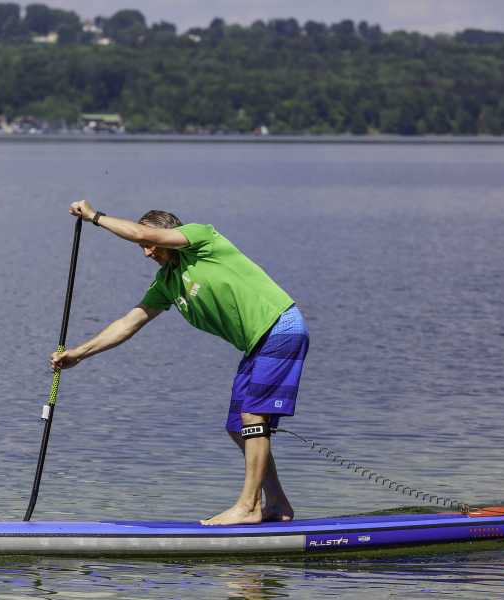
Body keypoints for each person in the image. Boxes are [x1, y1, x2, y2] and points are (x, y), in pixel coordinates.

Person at [50, 200, 310, 526]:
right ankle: (278, 505)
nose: (146, 252)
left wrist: (95, 217)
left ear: (169, 234)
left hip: (279, 326)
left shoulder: (202, 239)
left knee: (252, 415)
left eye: (150, 243)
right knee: (237, 427)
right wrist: (79, 353)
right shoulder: (167, 282)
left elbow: (139, 232)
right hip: (256, 344)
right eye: (142, 247)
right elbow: (130, 322)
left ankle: (248, 507)